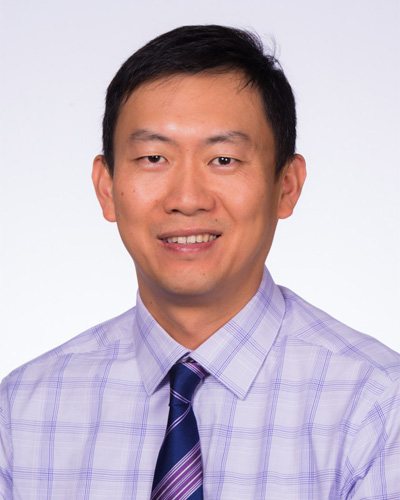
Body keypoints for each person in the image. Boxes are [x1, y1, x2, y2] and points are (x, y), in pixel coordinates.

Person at [0, 24, 399, 500]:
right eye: (153, 157)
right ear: (106, 188)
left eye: (224, 160)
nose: (187, 199)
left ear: (286, 186)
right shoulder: (22, 413)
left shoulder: (377, 408)